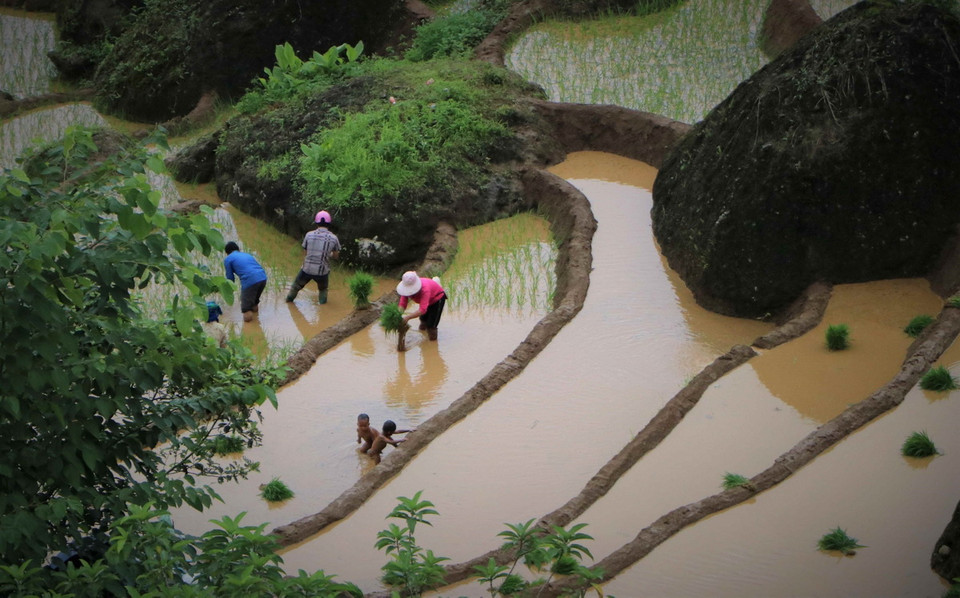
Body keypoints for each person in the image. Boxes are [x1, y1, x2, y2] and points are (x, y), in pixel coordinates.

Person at [286, 210, 341, 304]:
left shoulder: (309, 235)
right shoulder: (334, 238)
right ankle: (323, 308)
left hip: (307, 269)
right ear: (329, 223)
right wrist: (328, 254)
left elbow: (305, 253)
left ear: (316, 222)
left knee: (295, 287)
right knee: (323, 290)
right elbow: (336, 256)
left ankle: (288, 301)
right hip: (322, 272)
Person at [224, 241, 267, 322]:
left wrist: (228, 290)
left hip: (250, 280)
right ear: (238, 249)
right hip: (262, 277)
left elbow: (230, 278)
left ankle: (249, 331)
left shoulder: (228, 259)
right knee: (254, 303)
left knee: (246, 309)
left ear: (227, 253)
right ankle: (257, 324)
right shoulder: (247, 255)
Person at [396, 271, 446, 341]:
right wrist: (398, 314)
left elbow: (422, 310)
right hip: (426, 302)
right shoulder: (405, 290)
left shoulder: (425, 289)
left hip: (437, 299)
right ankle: (423, 340)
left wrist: (407, 317)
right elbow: (403, 303)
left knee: (431, 325)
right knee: (423, 321)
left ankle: (432, 344)